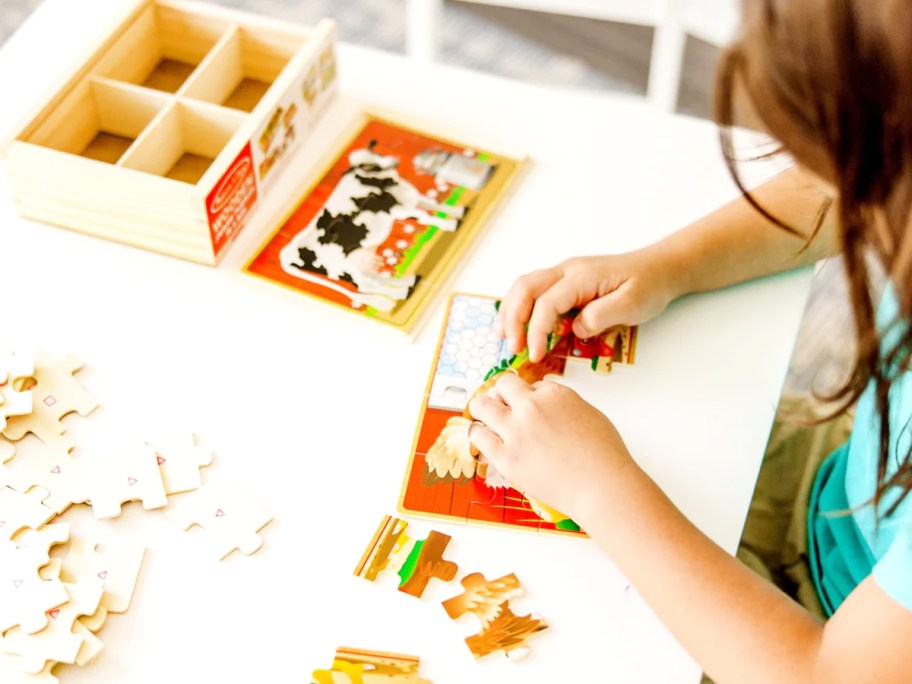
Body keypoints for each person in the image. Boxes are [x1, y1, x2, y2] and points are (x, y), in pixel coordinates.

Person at [466, 1, 912, 682]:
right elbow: (841, 186)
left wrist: (596, 488)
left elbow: (824, 675)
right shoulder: (884, 167)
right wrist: (669, 266)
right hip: (845, 500)